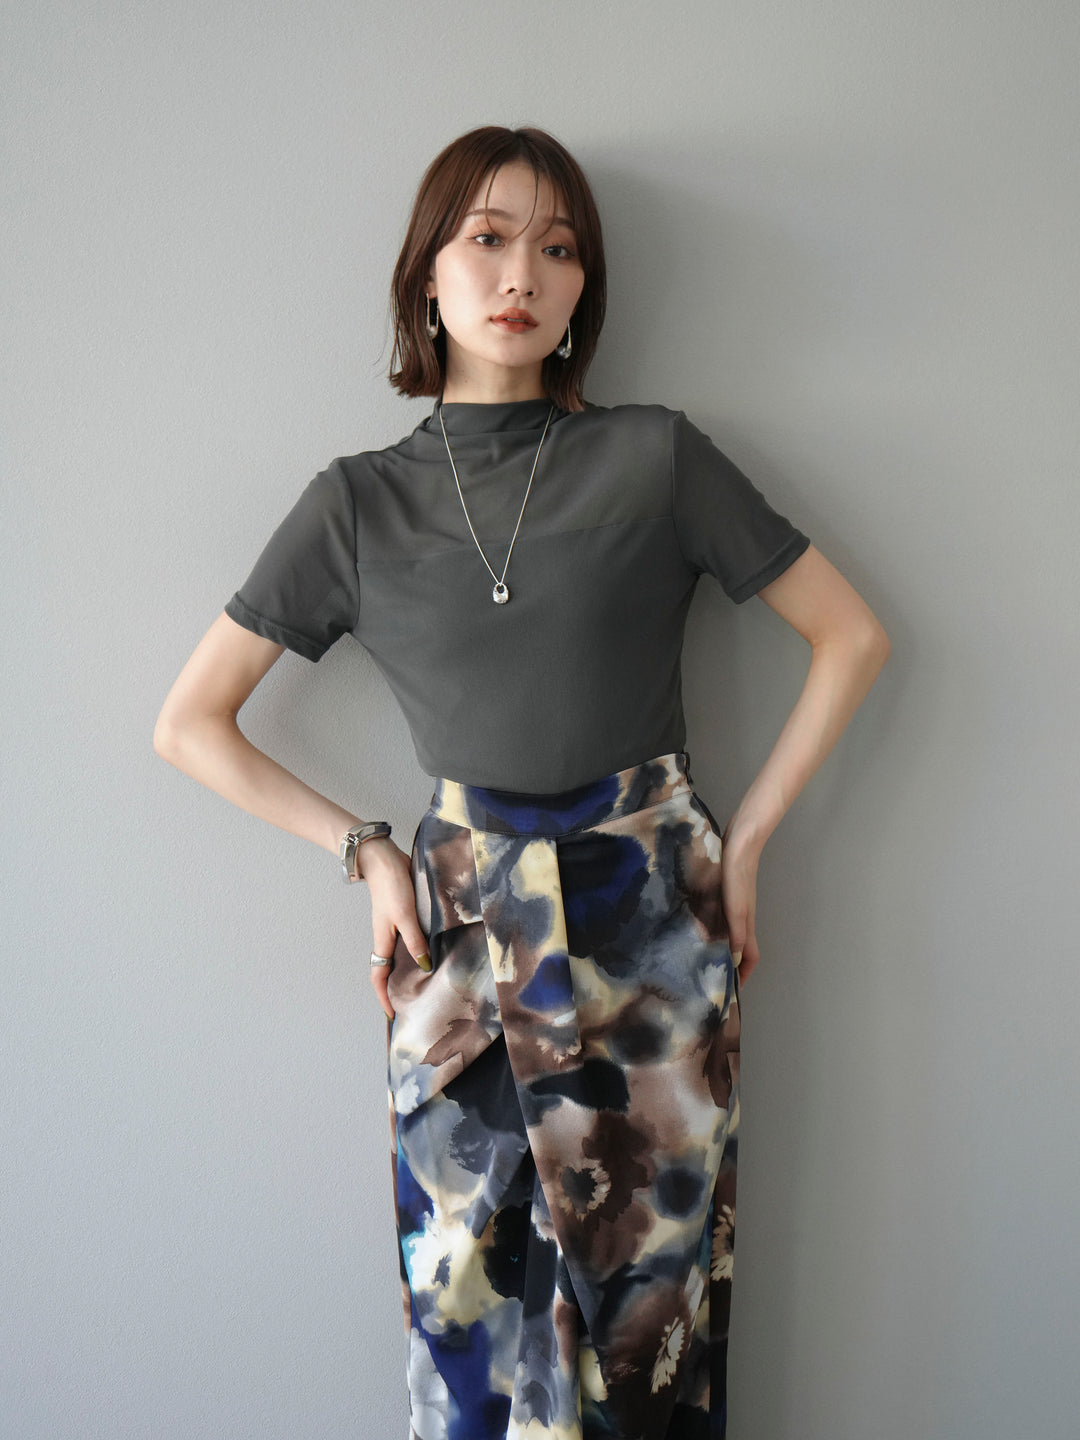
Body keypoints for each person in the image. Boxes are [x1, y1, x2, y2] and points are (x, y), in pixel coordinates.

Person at [154, 125, 889, 1440]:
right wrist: (365, 850)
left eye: (559, 249)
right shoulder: (357, 506)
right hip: (460, 938)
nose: (523, 275)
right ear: (425, 274)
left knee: (650, 1321)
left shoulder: (656, 458)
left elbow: (852, 637)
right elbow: (192, 723)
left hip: (651, 928)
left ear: (584, 287)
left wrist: (750, 843)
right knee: (473, 1318)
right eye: (488, 239)